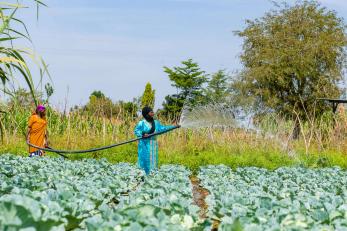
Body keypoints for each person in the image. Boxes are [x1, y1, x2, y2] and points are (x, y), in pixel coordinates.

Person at [134, 106, 178, 175]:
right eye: (151, 112)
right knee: (144, 159)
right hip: (144, 144)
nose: (153, 114)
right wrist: (143, 134)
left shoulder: (156, 123)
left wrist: (173, 127)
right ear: (146, 114)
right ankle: (142, 175)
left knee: (153, 160)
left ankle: (152, 174)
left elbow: (162, 129)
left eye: (152, 112)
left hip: (153, 144)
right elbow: (136, 131)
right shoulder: (141, 123)